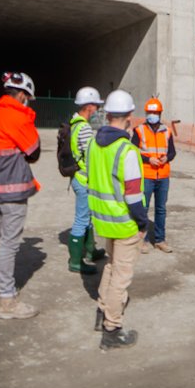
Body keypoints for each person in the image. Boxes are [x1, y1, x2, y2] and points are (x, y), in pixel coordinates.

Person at [0, 71, 41, 320]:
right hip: (13, 189)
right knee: (10, 244)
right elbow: (33, 151)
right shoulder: (17, 117)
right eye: (28, 98)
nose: (28, 102)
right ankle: (7, 301)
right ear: (22, 94)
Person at [87, 89, 148, 350]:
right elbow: (134, 197)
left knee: (111, 267)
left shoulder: (93, 144)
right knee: (121, 277)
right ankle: (112, 329)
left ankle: (102, 312)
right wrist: (143, 222)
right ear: (130, 117)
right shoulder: (128, 151)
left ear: (108, 114)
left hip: (103, 221)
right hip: (125, 223)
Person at [67, 86, 106, 275]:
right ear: (89, 106)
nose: (97, 110)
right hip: (84, 180)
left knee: (88, 217)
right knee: (82, 219)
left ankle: (91, 251)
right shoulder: (83, 128)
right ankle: (75, 261)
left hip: (79, 178)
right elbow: (91, 158)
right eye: (96, 106)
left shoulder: (75, 123)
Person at [132, 98, 177, 253]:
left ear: (160, 113)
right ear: (146, 113)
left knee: (161, 209)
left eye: (155, 112)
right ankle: (141, 240)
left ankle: (160, 240)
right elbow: (133, 151)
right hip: (146, 175)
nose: (152, 115)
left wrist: (167, 158)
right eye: (150, 112)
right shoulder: (139, 130)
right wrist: (148, 159)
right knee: (143, 208)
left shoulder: (167, 131)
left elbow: (172, 151)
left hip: (163, 176)